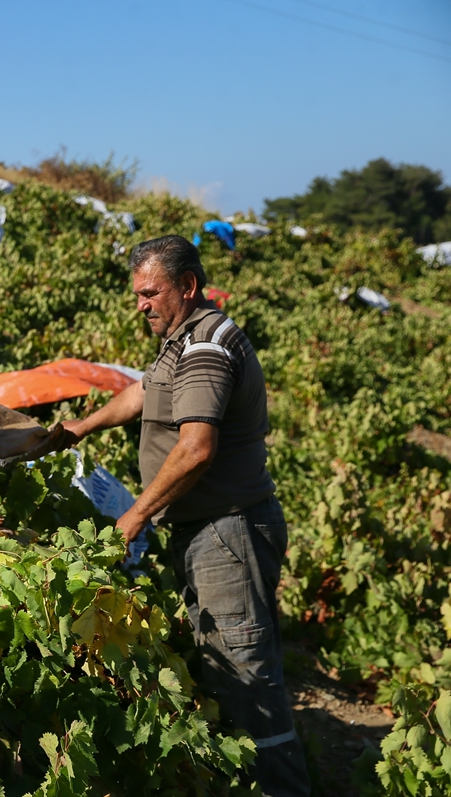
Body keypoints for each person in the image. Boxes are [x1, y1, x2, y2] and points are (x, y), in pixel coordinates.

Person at [61, 235, 309, 796]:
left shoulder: (205, 348)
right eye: (138, 294)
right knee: (229, 667)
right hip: (214, 531)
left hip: (227, 532)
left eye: (151, 293)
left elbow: (197, 447)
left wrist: (136, 517)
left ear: (188, 286)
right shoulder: (184, 341)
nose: (141, 305)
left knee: (248, 685)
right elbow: (142, 394)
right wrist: (80, 427)